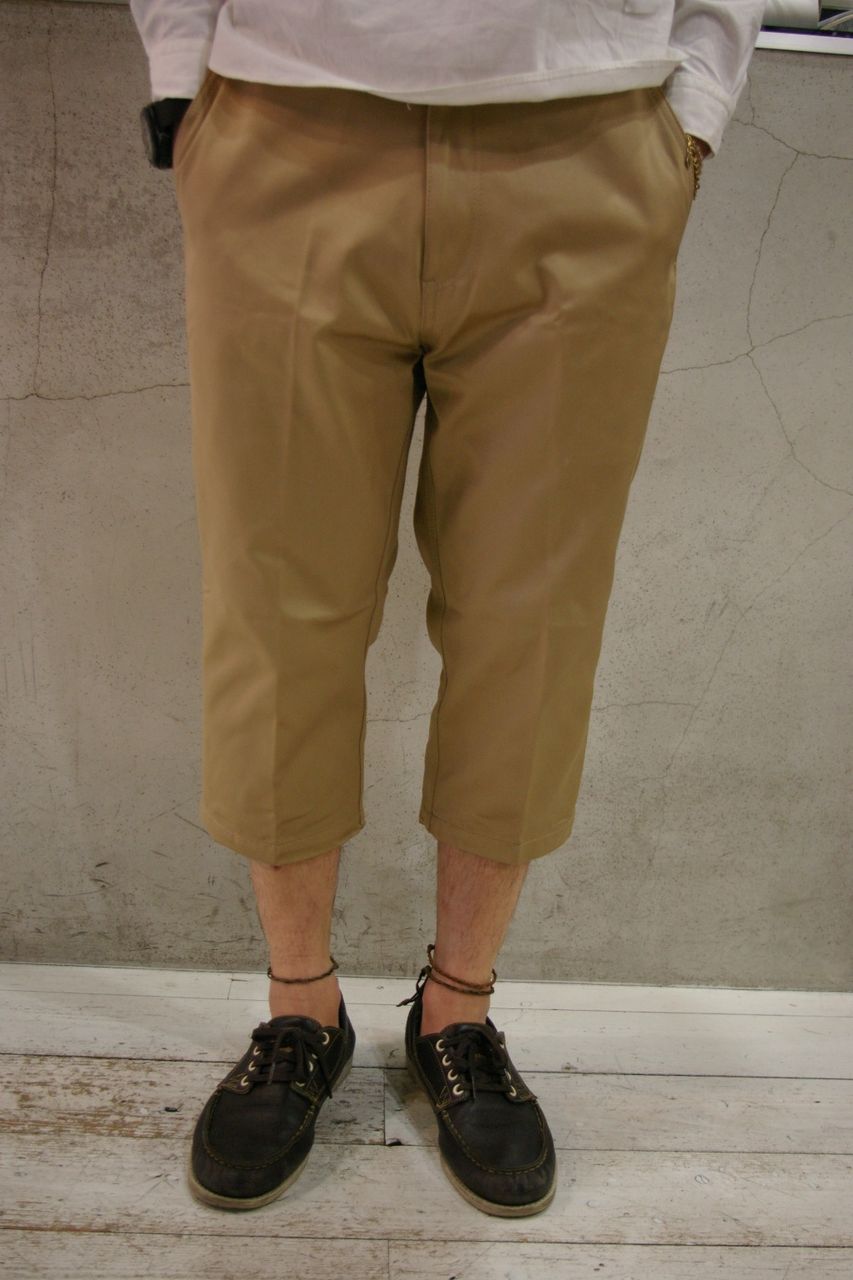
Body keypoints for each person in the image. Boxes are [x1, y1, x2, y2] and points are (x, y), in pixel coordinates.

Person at [131, 0, 766, 1218]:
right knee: (276, 608)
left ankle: (457, 1009)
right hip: (286, 125)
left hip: (587, 141)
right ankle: (299, 1006)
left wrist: (694, 102)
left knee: (532, 621)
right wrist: (179, 70)